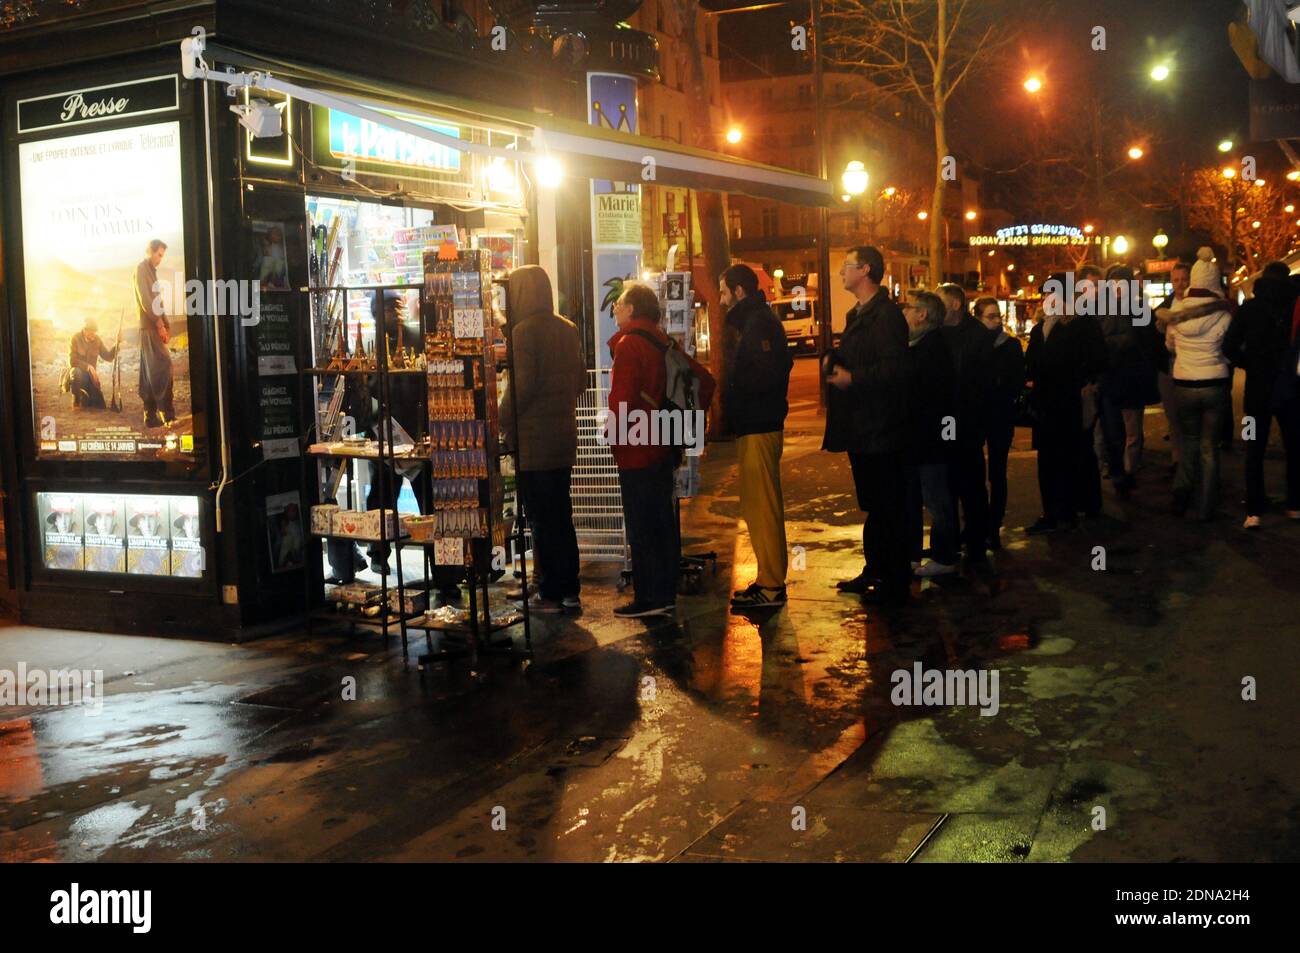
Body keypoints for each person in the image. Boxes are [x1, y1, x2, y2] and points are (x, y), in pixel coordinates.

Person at [607, 282, 714, 618]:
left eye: (620, 304)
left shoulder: (629, 345)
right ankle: (665, 593)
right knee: (662, 521)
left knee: (641, 524)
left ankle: (649, 597)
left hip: (637, 448)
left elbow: (621, 401)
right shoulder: (664, 342)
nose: (615, 309)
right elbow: (705, 381)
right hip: (664, 444)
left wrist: (613, 439)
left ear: (632, 309)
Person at [823, 246, 912, 605]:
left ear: (865, 270)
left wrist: (853, 378)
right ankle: (878, 568)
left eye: (846, 266)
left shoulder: (885, 316)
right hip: (863, 425)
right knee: (875, 502)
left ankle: (892, 574)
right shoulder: (860, 313)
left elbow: (896, 369)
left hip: (880, 426)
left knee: (886, 503)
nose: (841, 272)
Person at [498, 265, 587, 612]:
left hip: (534, 443)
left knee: (542, 519)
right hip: (563, 439)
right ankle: (568, 589)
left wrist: (501, 419)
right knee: (560, 516)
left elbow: (522, 388)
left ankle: (550, 592)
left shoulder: (523, 333)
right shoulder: (567, 329)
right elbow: (579, 382)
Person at [718, 263, 793, 609]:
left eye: (723, 292)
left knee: (762, 505)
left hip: (759, 423)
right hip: (755, 422)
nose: (720, 300)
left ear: (739, 291)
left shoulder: (758, 322)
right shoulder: (755, 320)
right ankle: (768, 579)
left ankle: (773, 585)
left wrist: (737, 395)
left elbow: (765, 373)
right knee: (757, 503)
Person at [1024, 273, 1108, 534]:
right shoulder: (1041, 328)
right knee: (1048, 460)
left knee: (1075, 455)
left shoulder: (1082, 325)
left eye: (1052, 293)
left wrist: (1083, 381)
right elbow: (1032, 363)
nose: (1047, 299)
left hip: (1072, 401)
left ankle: (1075, 508)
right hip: (1046, 405)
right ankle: (1052, 512)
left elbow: (1097, 359)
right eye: (1045, 294)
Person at [1223, 260, 1299, 528]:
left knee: (1253, 448)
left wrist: (1249, 362)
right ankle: (1294, 504)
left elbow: (1229, 346)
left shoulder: (1249, 309)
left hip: (1256, 393)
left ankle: (1254, 509)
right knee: (1294, 447)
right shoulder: (1294, 308)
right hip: (1290, 392)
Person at [1164, 248, 1234, 521]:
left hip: (1184, 383)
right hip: (1215, 383)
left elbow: (1169, 345)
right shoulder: (1224, 315)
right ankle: (1206, 505)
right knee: (1209, 447)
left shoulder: (1177, 313)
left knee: (1189, 442)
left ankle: (1181, 497)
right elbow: (1229, 350)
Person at [902, 290, 959, 577]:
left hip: (929, 439)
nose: (905, 313)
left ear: (922, 314)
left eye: (909, 308)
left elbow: (929, 396)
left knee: (937, 500)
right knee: (917, 497)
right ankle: (914, 555)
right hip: (921, 439)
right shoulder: (921, 345)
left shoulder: (932, 348)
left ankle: (944, 556)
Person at [937, 282, 994, 563]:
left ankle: (976, 538)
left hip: (968, 420)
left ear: (955, 304)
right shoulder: (939, 334)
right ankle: (955, 539)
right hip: (947, 419)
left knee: (970, 483)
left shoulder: (976, 335)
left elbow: (981, 381)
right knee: (947, 483)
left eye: (941, 301)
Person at [1097, 264, 1159, 498]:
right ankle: (1118, 473)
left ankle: (1128, 471)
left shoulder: (1140, 309)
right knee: (1113, 432)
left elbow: (1147, 342)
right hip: (1112, 378)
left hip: (1132, 377)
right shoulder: (1102, 308)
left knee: (1132, 431)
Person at [973, 296, 1025, 550]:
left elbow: (1015, 379)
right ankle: (977, 522)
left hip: (1000, 415)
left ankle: (994, 522)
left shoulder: (1010, 345)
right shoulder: (972, 344)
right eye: (990, 316)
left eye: (997, 316)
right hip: (976, 415)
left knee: (997, 471)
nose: (995, 321)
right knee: (972, 472)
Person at [1153, 262, 1191, 471]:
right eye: (1176, 280)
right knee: (1173, 415)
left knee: (1189, 416)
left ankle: (1190, 459)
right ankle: (1178, 458)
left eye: (1183, 279)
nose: (1179, 284)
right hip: (1168, 366)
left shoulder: (1197, 304)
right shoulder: (1162, 309)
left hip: (1191, 367)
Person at [134, 239, 175, 428]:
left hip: (154, 326)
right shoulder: (141, 269)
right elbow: (145, 299)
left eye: (162, 256)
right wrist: (159, 324)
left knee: (150, 371)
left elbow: (157, 301)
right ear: (150, 251)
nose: (160, 259)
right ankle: (167, 412)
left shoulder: (151, 271)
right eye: (159, 254)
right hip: (149, 327)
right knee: (164, 365)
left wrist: (165, 325)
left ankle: (149, 416)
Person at [66, 318, 119, 409]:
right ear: (85, 330)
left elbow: (108, 356)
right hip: (78, 376)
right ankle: (76, 401)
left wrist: (117, 344)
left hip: (90, 377)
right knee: (76, 372)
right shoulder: (75, 338)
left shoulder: (97, 340)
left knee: (100, 406)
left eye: (94, 331)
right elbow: (72, 361)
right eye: (91, 331)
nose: (93, 334)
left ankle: (85, 398)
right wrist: (88, 366)